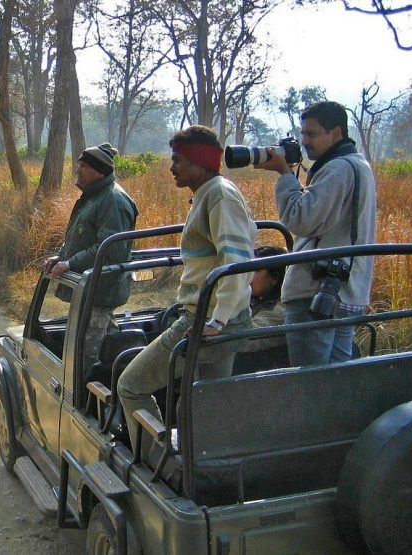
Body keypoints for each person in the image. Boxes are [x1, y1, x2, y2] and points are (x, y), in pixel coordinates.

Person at [117, 125, 255, 451]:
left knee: (130, 386)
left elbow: (235, 261)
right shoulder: (209, 194)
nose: (171, 167)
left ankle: (155, 466)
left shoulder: (219, 196)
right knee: (203, 405)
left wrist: (217, 320)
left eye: (178, 160)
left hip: (205, 321)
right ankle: (201, 468)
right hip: (219, 318)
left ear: (198, 162)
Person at [255, 101, 376, 366]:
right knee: (335, 380)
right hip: (345, 292)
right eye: (303, 134)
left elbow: (300, 219)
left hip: (317, 295)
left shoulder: (338, 169)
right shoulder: (358, 165)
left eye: (312, 134)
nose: (305, 141)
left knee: (310, 382)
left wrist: (284, 173)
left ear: (336, 133)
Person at [43, 142, 138, 374]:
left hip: (100, 293)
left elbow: (109, 250)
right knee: (104, 351)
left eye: (83, 166)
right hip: (89, 292)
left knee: (86, 361)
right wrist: (61, 256)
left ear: (99, 171)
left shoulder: (113, 200)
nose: (78, 170)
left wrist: (71, 264)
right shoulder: (95, 196)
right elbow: (82, 238)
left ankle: (86, 406)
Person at [241, 245, 287, 353]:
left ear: (274, 278)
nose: (248, 275)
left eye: (256, 270)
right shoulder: (259, 299)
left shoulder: (278, 310)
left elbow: (243, 342)